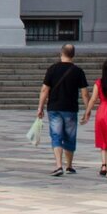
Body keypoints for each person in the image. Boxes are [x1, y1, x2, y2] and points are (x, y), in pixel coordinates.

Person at [36, 42, 88, 177]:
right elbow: (84, 93)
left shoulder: (52, 69)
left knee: (56, 136)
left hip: (54, 108)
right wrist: (88, 109)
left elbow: (44, 90)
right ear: (73, 55)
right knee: (70, 137)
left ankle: (59, 165)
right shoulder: (78, 71)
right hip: (70, 108)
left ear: (61, 53)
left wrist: (40, 107)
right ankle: (69, 166)